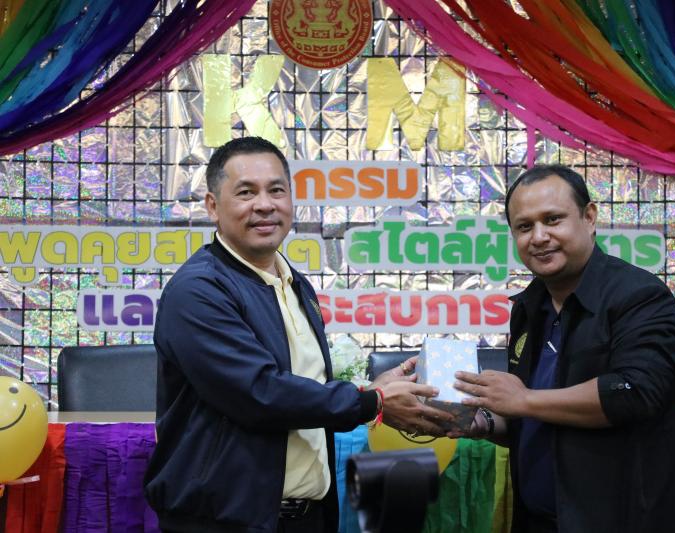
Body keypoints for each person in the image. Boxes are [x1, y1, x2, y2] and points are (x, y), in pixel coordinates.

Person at [144, 136, 451, 533]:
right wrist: (372, 402)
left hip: (305, 517)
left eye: (276, 190)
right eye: (246, 192)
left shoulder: (295, 284)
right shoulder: (199, 290)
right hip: (224, 521)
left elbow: (302, 387)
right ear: (213, 206)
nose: (264, 205)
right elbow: (259, 392)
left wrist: (369, 389)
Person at [450, 165, 675, 532]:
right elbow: (535, 415)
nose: (539, 237)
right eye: (524, 227)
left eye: (553, 219)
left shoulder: (640, 297)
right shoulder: (530, 307)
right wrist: (482, 422)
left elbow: (635, 392)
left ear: (589, 217)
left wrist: (525, 400)